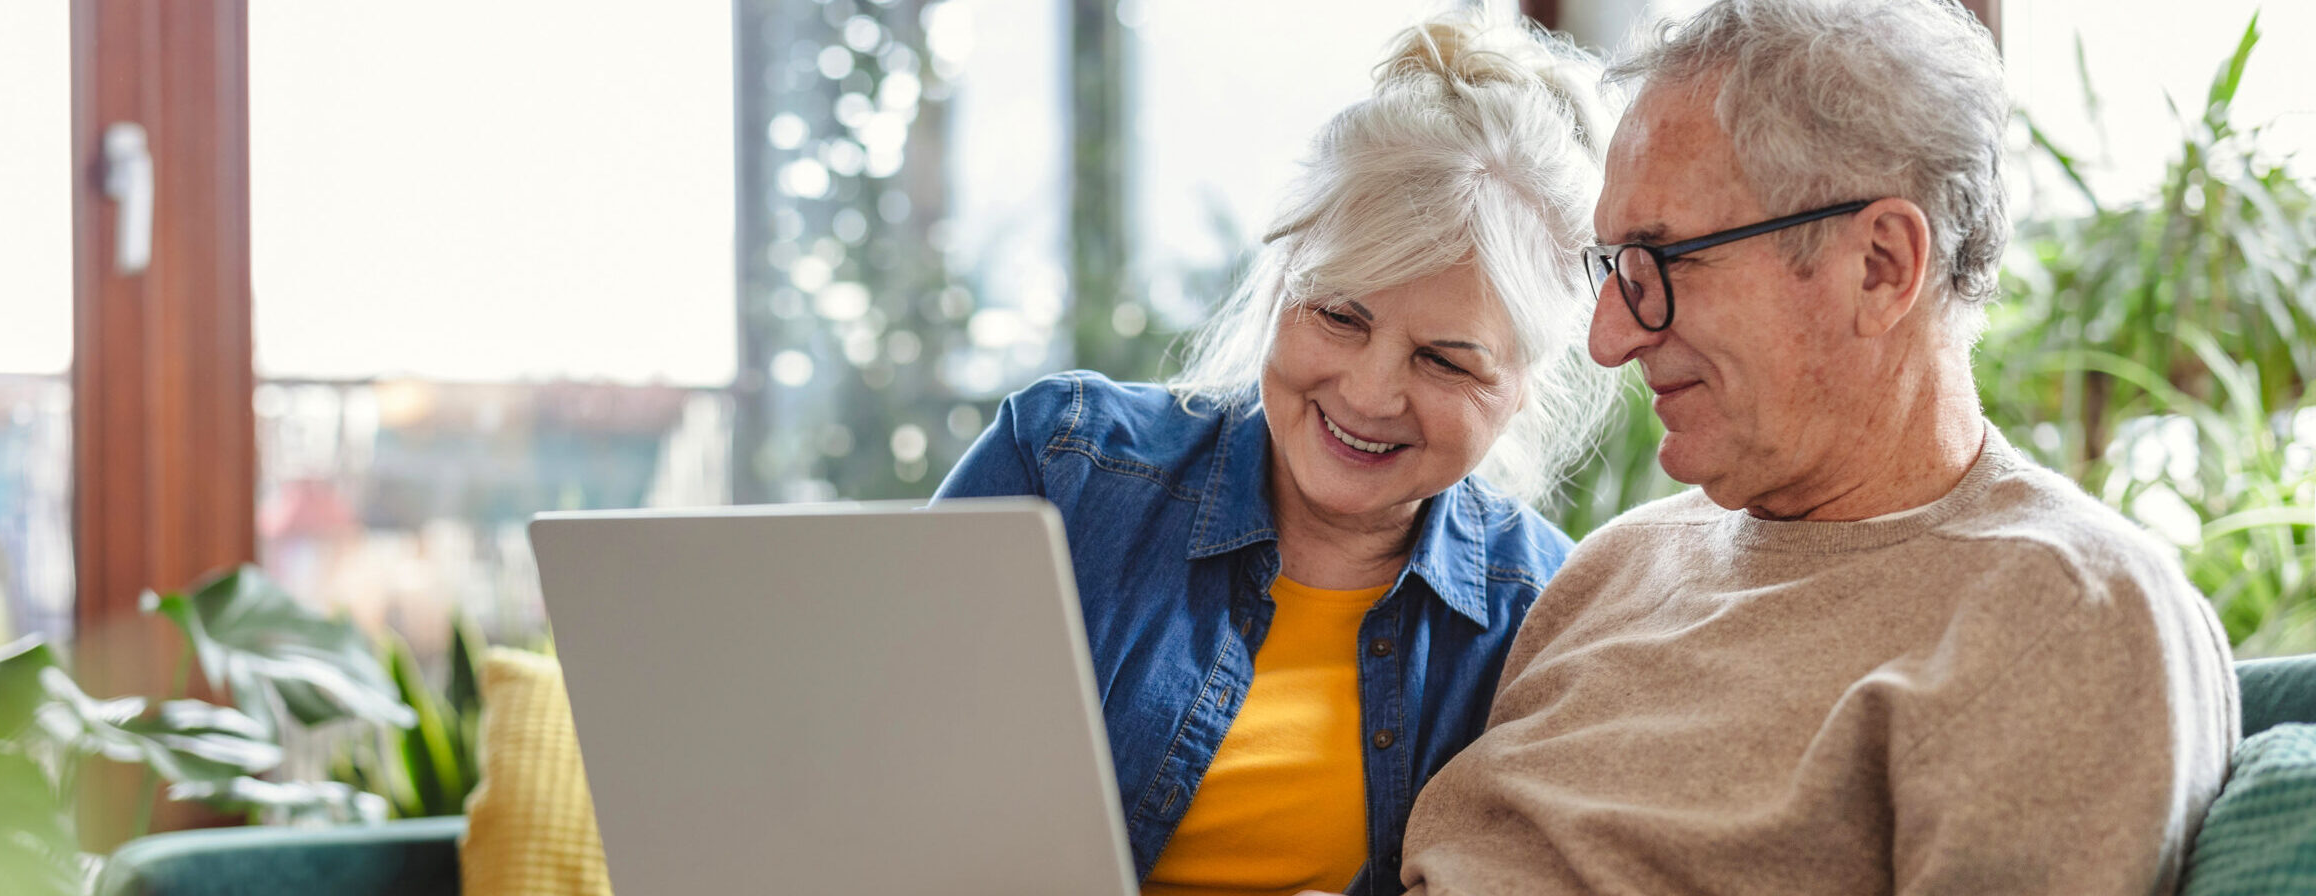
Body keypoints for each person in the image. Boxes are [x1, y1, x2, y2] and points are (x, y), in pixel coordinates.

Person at [1369, 1, 2240, 894]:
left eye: (1662, 262)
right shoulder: (1617, 567)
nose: (1608, 340)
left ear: (1880, 266)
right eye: (1612, 268)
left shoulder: (2060, 613)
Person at [932, 13, 1617, 896]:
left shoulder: (1543, 618)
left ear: (1524, 381)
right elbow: (874, 767)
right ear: (1282, 277)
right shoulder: (1062, 465)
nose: (1369, 395)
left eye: (1445, 360)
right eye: (1339, 315)